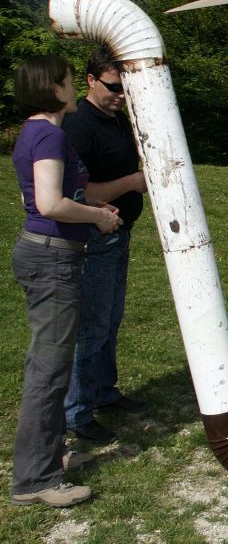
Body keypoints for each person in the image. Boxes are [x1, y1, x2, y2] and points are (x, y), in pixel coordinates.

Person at [10, 55, 122, 507]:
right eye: (70, 81)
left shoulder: (36, 132)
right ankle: (35, 480)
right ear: (53, 88)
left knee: (49, 366)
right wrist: (96, 217)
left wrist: (93, 207)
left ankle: (50, 455)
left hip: (48, 253)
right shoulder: (49, 134)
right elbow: (51, 203)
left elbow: (49, 196)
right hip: (52, 259)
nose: (75, 88)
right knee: (49, 371)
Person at [62, 44, 149, 446]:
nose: (121, 95)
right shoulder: (78, 126)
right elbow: (80, 192)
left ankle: (103, 392)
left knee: (110, 319)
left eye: (125, 87)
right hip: (93, 238)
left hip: (118, 234)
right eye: (114, 87)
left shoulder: (115, 118)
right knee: (92, 325)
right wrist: (132, 182)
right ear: (91, 80)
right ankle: (77, 412)